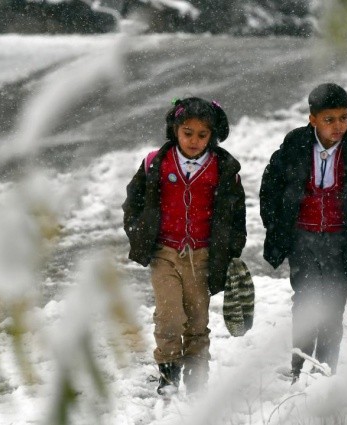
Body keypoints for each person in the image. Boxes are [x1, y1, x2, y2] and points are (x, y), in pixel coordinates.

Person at [259, 83, 347, 382]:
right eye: (329, 119)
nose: (338, 126)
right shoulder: (294, 149)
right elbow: (270, 189)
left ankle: (324, 372)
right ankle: (298, 367)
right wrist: (277, 229)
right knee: (304, 303)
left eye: (344, 117)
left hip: (340, 243)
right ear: (312, 119)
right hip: (303, 240)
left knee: (332, 308)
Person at [122, 97, 246, 396]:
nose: (194, 140)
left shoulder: (223, 169)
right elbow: (133, 203)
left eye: (203, 135)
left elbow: (236, 215)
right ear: (175, 130)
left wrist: (230, 251)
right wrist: (140, 234)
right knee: (169, 318)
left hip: (203, 257)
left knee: (197, 320)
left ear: (213, 136)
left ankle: (197, 379)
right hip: (165, 253)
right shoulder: (156, 163)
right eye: (187, 132)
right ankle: (168, 375)